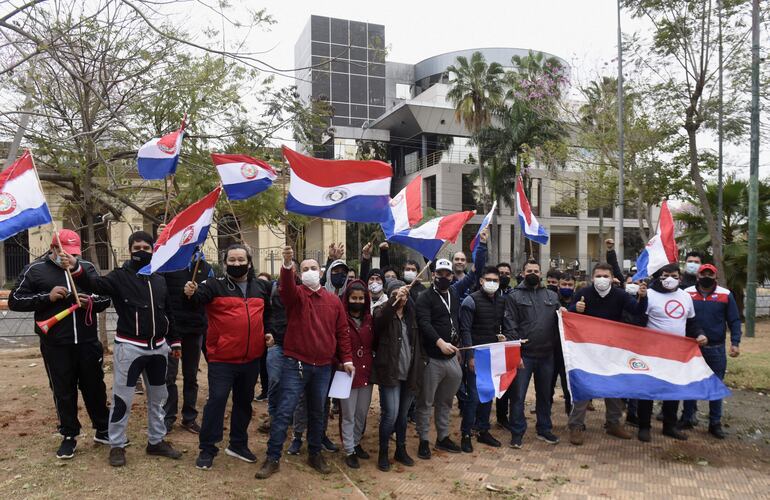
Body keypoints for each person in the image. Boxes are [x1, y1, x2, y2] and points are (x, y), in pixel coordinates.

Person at [8, 229, 112, 459]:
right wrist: (47, 297)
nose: (70, 257)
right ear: (54, 249)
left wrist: (90, 303)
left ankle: (103, 429)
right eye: (65, 252)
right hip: (55, 344)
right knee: (63, 390)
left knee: (95, 386)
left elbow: (106, 297)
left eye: (74, 253)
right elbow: (14, 300)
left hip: (87, 342)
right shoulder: (35, 270)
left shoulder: (86, 268)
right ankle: (69, 435)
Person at [83, 231, 182, 467]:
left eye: (146, 248)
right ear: (130, 250)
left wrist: (175, 340)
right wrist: (76, 267)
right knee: (122, 400)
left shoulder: (159, 278)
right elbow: (94, 283)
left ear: (153, 250)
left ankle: (156, 441)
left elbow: (167, 311)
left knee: (159, 399)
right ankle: (117, 444)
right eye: (137, 247)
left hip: (158, 349)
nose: (141, 251)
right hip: (130, 348)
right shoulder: (119, 276)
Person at [255, 246, 354, 479]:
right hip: (296, 364)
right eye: (305, 269)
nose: (310, 271)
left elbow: (342, 332)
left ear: (321, 273)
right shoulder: (296, 296)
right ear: (300, 273)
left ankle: (315, 453)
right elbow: (286, 289)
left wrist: (347, 359)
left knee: (318, 411)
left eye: (313, 268)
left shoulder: (333, 301)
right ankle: (273, 457)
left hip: (323, 367)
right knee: (285, 409)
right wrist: (288, 265)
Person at [185, 244, 272, 469]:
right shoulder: (215, 285)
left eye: (240, 260)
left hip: (252, 359)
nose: (236, 264)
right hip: (222, 359)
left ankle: (238, 444)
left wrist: (270, 332)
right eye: (231, 260)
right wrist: (190, 292)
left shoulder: (261, 287)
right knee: (217, 401)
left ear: (249, 262)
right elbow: (196, 300)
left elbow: (269, 315)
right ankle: (207, 448)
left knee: (244, 402)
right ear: (225, 264)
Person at [414, 232, 487, 460]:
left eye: (448, 273)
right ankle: (424, 440)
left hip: (452, 358)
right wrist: (439, 342)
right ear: (433, 274)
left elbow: (475, 273)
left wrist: (482, 245)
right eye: (440, 273)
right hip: (432, 358)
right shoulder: (425, 297)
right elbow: (424, 323)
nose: (444, 277)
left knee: (446, 401)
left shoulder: (454, 292)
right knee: (426, 402)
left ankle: (443, 437)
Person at [566, 263, 648, 445]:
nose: (602, 279)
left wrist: (643, 298)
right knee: (584, 387)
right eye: (598, 276)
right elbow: (568, 316)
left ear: (612, 278)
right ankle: (576, 425)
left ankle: (613, 423)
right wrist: (575, 310)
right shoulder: (583, 293)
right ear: (592, 278)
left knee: (614, 386)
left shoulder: (620, 295)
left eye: (605, 276)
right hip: (587, 349)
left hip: (612, 349)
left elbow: (637, 312)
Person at [637, 263, 707, 442]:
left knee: (673, 390)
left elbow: (692, 322)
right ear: (659, 276)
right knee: (647, 390)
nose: (670, 279)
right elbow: (638, 320)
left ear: (680, 278)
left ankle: (670, 426)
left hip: (676, 354)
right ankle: (644, 427)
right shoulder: (649, 295)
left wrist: (700, 334)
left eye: (674, 276)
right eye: (665, 275)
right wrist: (640, 299)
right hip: (651, 352)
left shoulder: (685, 297)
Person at [503, 259, 561, 449]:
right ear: (522, 273)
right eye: (529, 271)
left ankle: (544, 428)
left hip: (547, 355)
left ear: (541, 273)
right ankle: (517, 432)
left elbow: (560, 321)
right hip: (524, 355)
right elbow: (510, 325)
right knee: (518, 396)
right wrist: (515, 352)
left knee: (545, 395)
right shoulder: (514, 296)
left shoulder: (552, 296)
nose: (533, 273)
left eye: (536, 270)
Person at [682, 264, 741, 439]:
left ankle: (715, 423)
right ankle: (687, 417)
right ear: (698, 276)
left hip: (716, 348)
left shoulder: (725, 294)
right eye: (703, 273)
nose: (706, 276)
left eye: (710, 274)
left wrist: (735, 342)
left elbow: (734, 320)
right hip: (692, 346)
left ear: (715, 277)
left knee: (716, 385)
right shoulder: (687, 293)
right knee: (690, 383)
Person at [372, 280, 424, 471]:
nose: (401, 296)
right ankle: (383, 452)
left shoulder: (413, 315)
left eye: (403, 293)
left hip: (410, 373)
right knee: (390, 415)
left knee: (402, 416)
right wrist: (393, 302)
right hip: (390, 373)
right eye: (396, 293)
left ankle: (400, 449)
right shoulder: (382, 311)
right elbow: (378, 323)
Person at [162, 248, 213, 434]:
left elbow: (210, 295)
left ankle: (189, 418)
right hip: (172, 331)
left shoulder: (206, 268)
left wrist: (196, 293)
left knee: (191, 376)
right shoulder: (169, 264)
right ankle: (168, 416)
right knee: (169, 376)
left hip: (195, 330)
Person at [459, 266, 507, 452]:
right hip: (476, 354)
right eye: (489, 279)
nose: (492, 283)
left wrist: (501, 337)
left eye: (495, 280)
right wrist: (469, 356)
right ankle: (465, 433)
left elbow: (500, 325)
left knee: (488, 393)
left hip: (492, 354)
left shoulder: (501, 301)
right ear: (481, 281)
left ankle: (483, 430)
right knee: (474, 397)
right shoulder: (471, 301)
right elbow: (465, 330)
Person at [339, 280, 374, 469]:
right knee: (348, 414)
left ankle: (357, 441)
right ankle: (349, 450)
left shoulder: (370, 319)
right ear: (347, 298)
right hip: (346, 372)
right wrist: (341, 362)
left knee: (361, 412)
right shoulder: (341, 318)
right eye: (354, 298)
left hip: (366, 371)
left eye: (361, 298)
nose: (357, 302)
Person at [549, 272, 575, 418]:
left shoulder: (579, 302)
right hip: (552, 350)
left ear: (574, 286)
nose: (567, 287)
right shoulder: (551, 300)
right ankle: (545, 418)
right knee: (548, 386)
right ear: (558, 286)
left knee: (569, 388)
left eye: (570, 285)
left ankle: (572, 418)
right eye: (564, 285)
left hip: (570, 354)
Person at [494, 262, 514, 429]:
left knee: (505, 382)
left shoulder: (513, 294)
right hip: (490, 341)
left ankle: (502, 416)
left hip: (507, 341)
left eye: (507, 274)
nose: (504, 276)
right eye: (501, 273)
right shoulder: (490, 291)